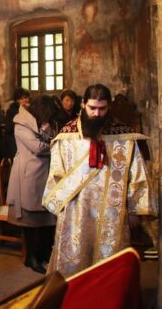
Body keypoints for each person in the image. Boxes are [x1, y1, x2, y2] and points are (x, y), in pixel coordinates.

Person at [42, 84, 158, 277]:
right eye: (92, 108)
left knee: (109, 267)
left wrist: (134, 210)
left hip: (113, 213)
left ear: (109, 106)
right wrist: (59, 205)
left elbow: (137, 174)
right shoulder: (67, 135)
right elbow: (57, 173)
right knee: (75, 262)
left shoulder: (123, 135)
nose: (97, 113)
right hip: (76, 211)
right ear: (83, 104)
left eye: (102, 108)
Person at [6, 96, 61, 274]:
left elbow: (53, 138)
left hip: (43, 173)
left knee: (45, 219)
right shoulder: (21, 124)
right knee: (30, 220)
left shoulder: (42, 123)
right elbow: (37, 147)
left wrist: (49, 135)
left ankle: (42, 253)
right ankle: (30, 257)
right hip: (28, 174)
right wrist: (53, 141)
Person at [3, 87, 30, 158]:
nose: (24, 100)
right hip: (14, 140)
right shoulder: (12, 111)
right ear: (17, 100)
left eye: (26, 98)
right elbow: (9, 127)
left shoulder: (31, 109)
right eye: (21, 99)